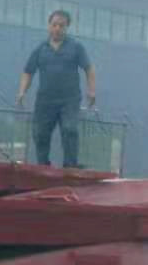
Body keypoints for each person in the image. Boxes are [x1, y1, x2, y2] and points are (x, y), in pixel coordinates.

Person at [17, 10, 97, 168]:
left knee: (69, 129)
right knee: (40, 133)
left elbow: (89, 68)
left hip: (69, 100)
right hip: (45, 101)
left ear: (67, 27)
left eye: (61, 25)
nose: (57, 28)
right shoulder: (40, 49)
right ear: (49, 26)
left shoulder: (76, 47)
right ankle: (43, 166)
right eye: (54, 25)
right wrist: (22, 92)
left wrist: (92, 90)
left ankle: (70, 166)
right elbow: (28, 72)